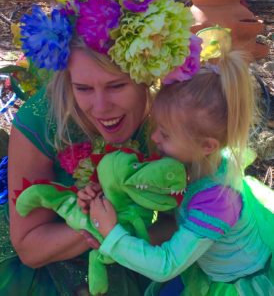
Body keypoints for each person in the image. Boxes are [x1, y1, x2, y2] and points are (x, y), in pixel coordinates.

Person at [0, 0, 195, 295]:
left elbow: (181, 224)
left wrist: (120, 237)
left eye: (117, 85)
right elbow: (30, 248)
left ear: (146, 77)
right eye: (83, 88)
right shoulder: (38, 123)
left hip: (141, 255)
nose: (101, 107)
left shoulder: (168, 119)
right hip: (46, 269)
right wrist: (99, 226)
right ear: (67, 82)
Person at [87, 44, 274, 294]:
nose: (154, 138)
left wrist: (111, 233)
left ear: (207, 145)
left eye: (165, 133)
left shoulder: (217, 202)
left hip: (234, 283)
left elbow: (166, 266)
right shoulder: (201, 163)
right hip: (208, 262)